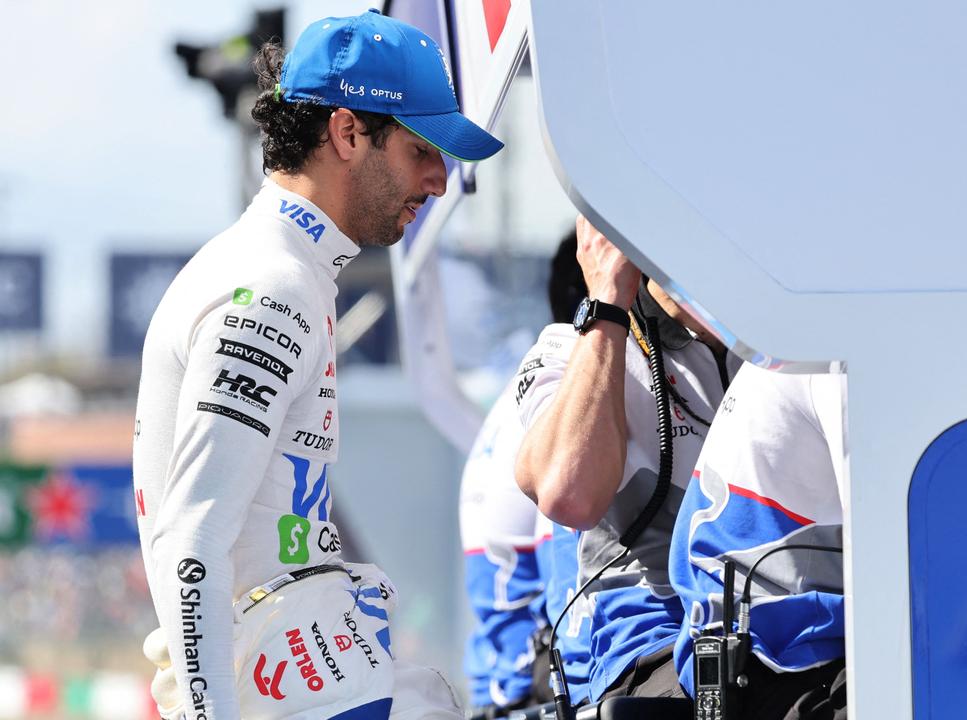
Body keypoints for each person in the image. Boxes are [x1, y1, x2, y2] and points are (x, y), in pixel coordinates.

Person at [132, 10, 501, 719]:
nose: (440, 179)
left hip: (304, 673)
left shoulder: (288, 272)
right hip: (287, 687)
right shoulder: (270, 287)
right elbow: (195, 538)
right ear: (346, 132)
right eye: (422, 147)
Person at [513, 216, 740, 704]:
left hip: (777, 635)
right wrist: (608, 303)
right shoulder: (568, 348)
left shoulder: (788, 343)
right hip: (652, 648)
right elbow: (568, 494)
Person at [668, 363, 848, 719]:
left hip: (756, 657)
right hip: (779, 664)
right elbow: (899, 540)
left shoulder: (813, 331)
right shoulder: (843, 353)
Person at [459, 235, 585, 717]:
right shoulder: (571, 406)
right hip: (526, 693)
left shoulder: (527, 390)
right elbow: (568, 571)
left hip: (499, 684)